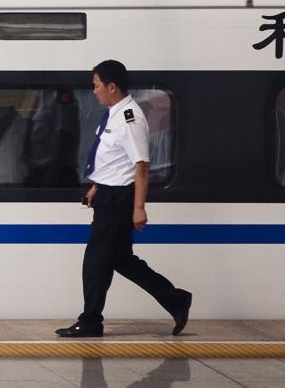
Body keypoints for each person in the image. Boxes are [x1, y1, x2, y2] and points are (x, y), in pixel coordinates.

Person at [55, 59, 193, 338]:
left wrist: (139, 207)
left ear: (112, 86)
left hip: (120, 198)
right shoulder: (115, 114)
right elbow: (113, 159)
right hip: (109, 193)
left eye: (96, 86)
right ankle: (175, 299)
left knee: (95, 261)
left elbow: (141, 164)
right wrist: (97, 185)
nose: (94, 91)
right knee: (120, 259)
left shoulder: (130, 118)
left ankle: (90, 320)